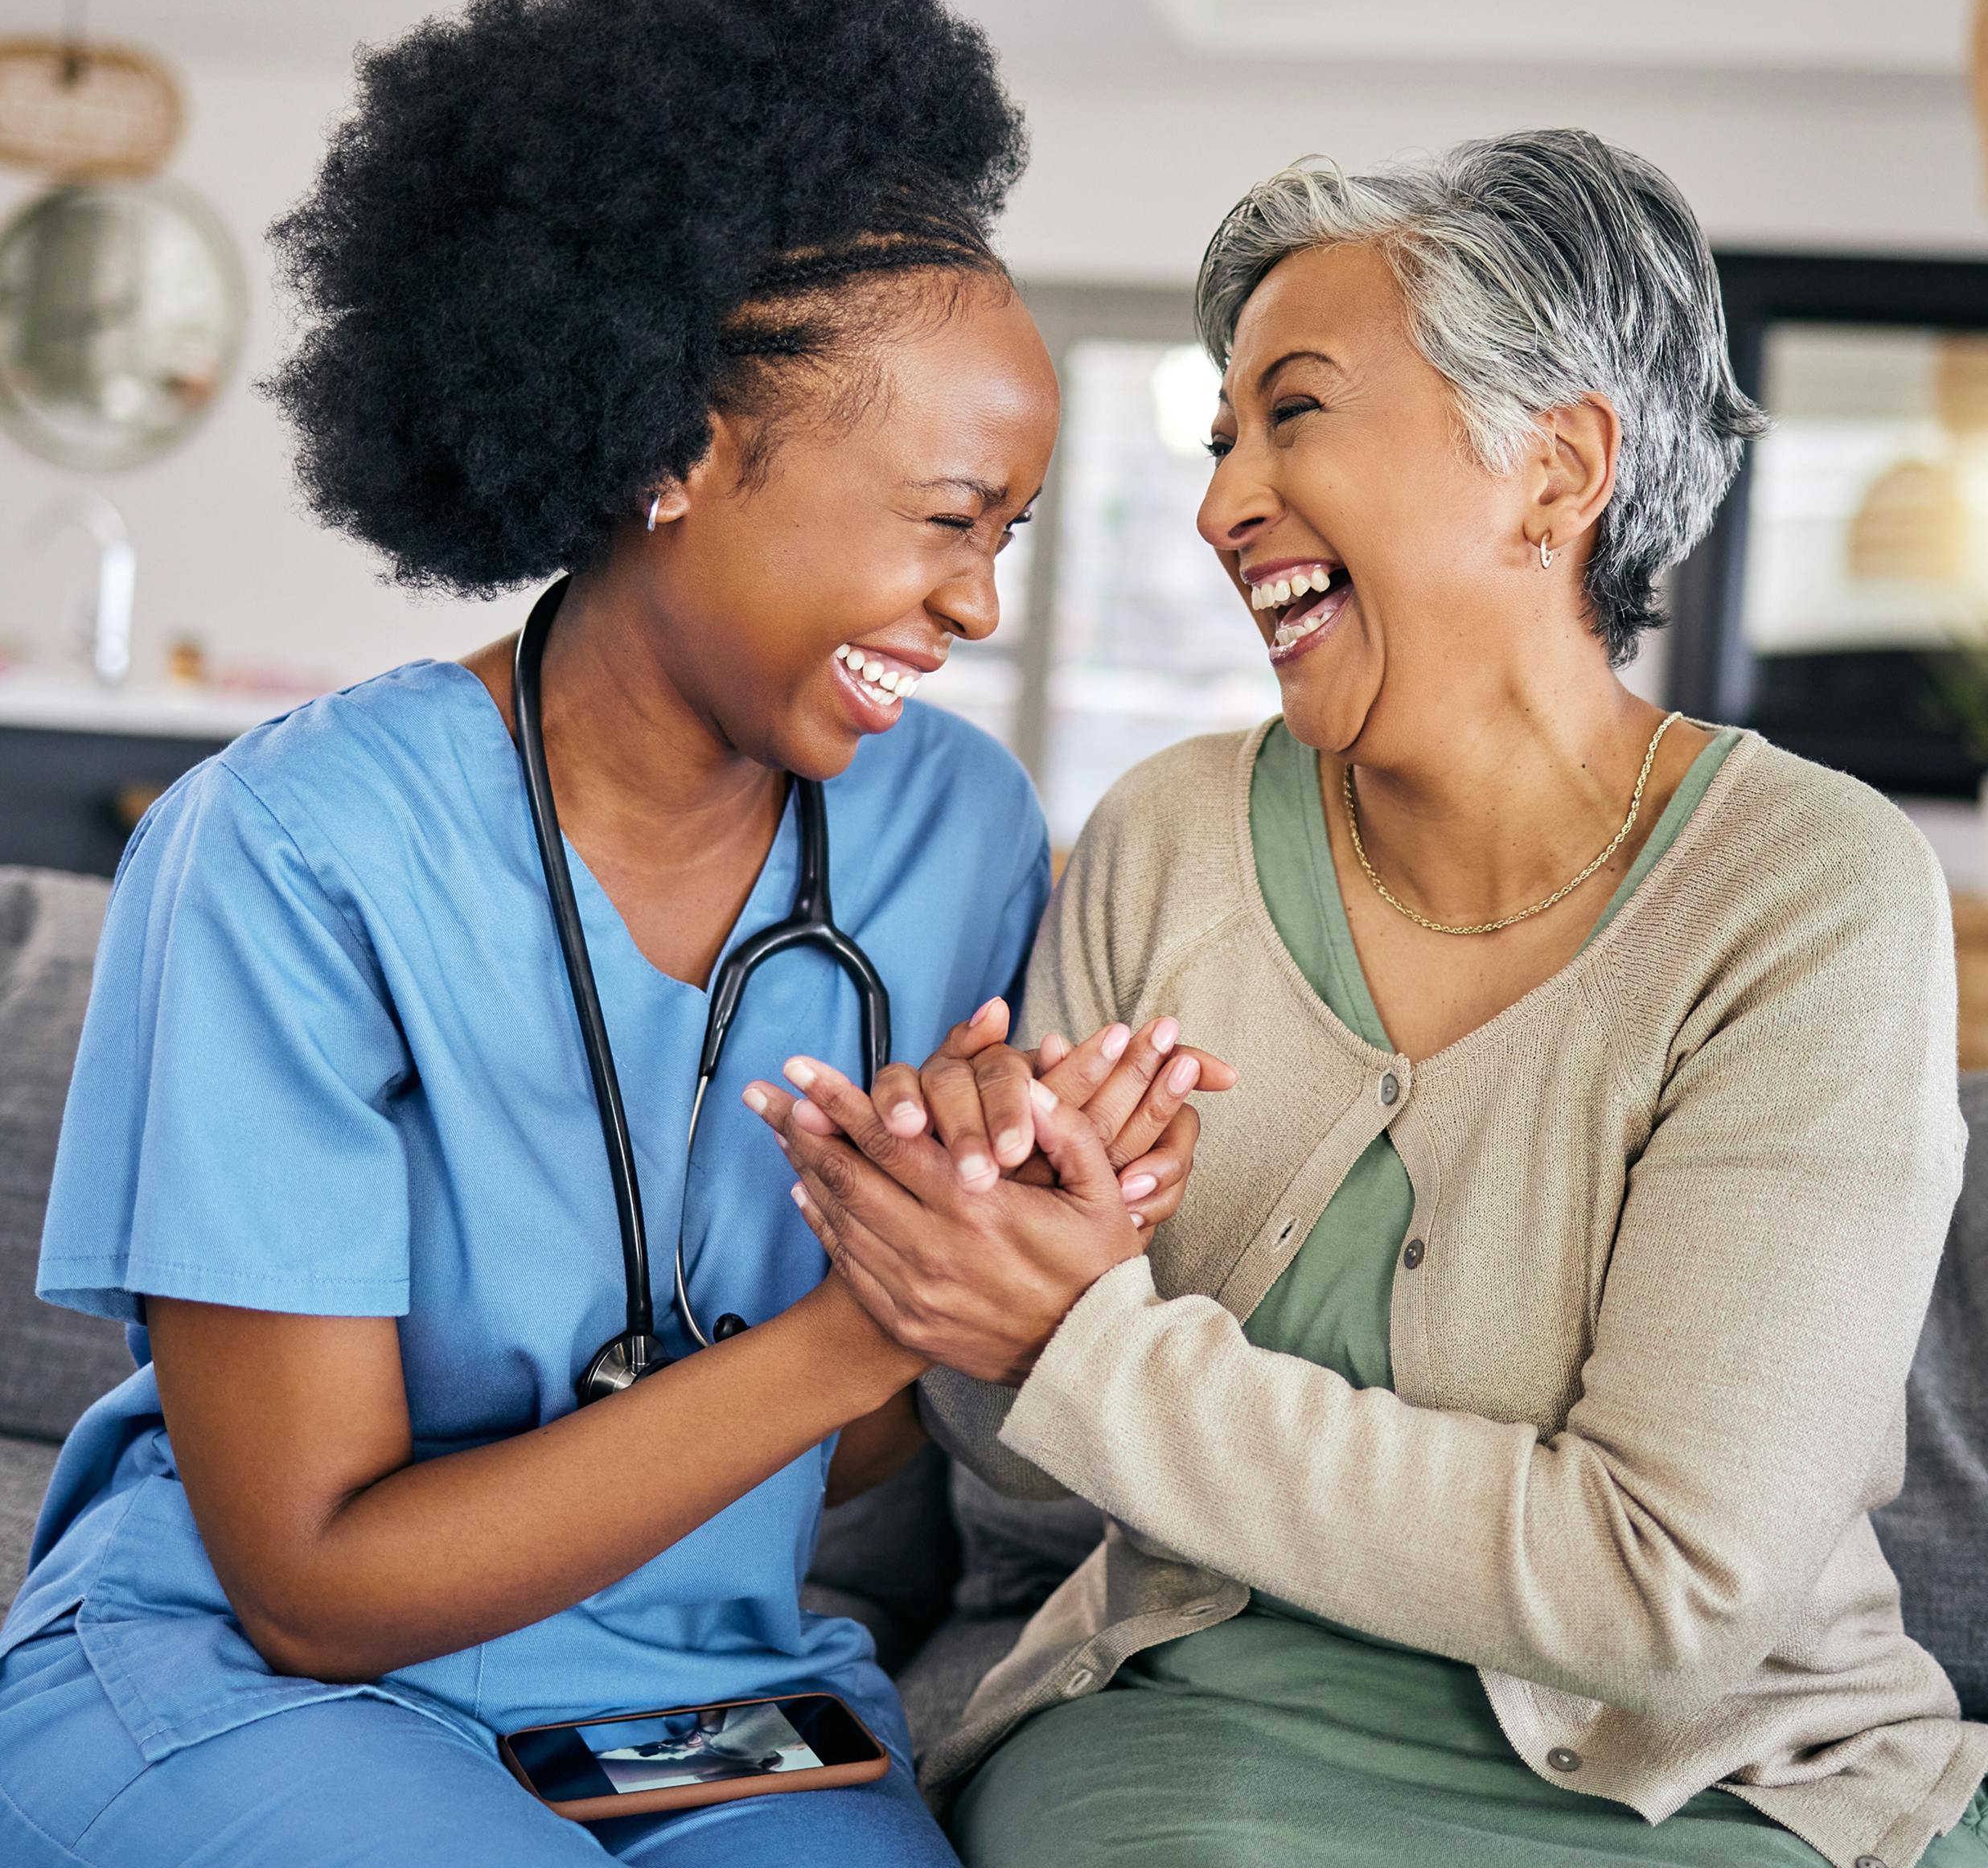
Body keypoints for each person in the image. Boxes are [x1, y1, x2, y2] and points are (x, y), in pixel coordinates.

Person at [0, 0, 1206, 1866]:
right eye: (945, 520)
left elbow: (889, 1489)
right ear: (681, 450)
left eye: (1014, 532)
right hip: (267, 1677)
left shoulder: (953, 832)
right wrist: (865, 1322)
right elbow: (310, 1581)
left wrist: (992, 1210)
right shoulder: (297, 854)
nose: (981, 602)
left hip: (709, 1699)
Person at [750, 131, 1988, 1867]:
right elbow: (1035, 1513)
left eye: (1296, 413)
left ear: (1554, 472)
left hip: (1718, 1785)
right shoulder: (1165, 841)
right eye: (1218, 434)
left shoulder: (1807, 894)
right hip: (1193, 1744)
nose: (1217, 499)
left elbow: (1669, 1590)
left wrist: (1074, 1332)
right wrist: (995, 1242)